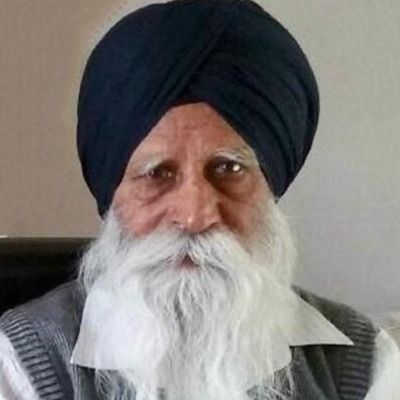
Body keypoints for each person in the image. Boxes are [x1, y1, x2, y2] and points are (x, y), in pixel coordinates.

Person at [0, 0, 399, 399]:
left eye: (229, 168)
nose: (194, 216)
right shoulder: (18, 367)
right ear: (113, 192)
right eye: (157, 173)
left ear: (270, 185)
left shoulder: (365, 366)